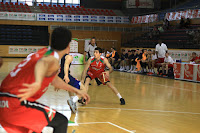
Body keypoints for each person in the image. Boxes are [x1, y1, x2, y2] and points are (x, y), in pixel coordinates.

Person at [0, 27, 90, 133]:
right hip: (16, 103)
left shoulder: (45, 51)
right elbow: (42, 63)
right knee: (61, 121)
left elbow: (54, 80)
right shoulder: (52, 59)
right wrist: (38, 82)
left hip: (4, 103)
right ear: (68, 45)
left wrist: (77, 91)